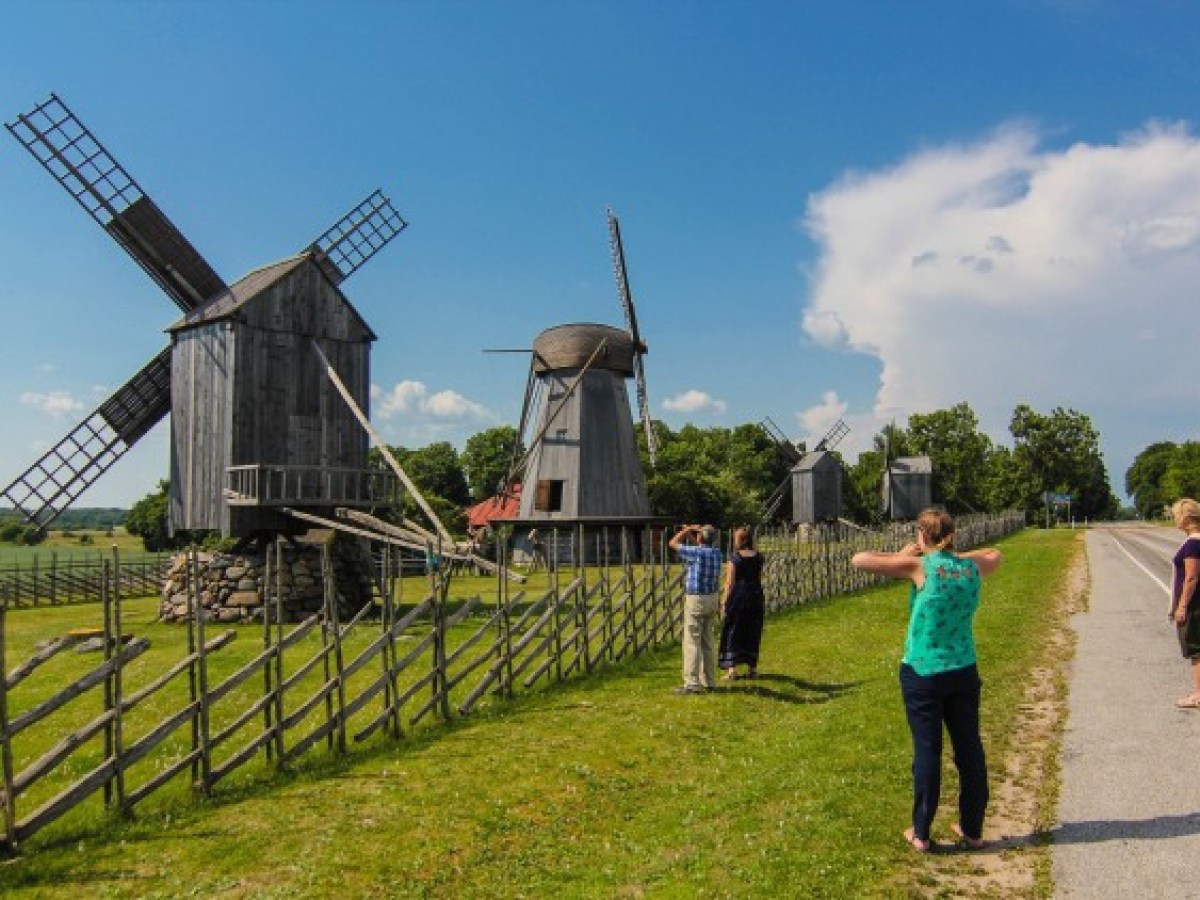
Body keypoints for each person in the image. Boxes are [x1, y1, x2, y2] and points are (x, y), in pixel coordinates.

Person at [851, 508, 1003, 853]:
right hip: (963, 668)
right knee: (969, 750)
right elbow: (996, 554)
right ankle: (972, 827)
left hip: (924, 670)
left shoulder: (919, 567)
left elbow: (860, 559)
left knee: (927, 750)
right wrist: (952, 555)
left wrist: (906, 554)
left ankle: (921, 831)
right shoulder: (970, 568)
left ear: (922, 536)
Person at [668, 524, 723, 695]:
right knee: (707, 641)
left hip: (696, 599)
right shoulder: (717, 553)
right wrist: (697, 534)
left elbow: (673, 543)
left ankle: (692, 683)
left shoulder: (697, 553)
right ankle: (710, 681)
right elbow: (700, 546)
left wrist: (687, 530)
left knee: (692, 641)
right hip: (712, 599)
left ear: (700, 538)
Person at [719, 526, 765, 680]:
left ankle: (732, 669)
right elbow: (758, 578)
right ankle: (752, 668)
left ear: (739, 540)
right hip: (755, 595)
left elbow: (729, 582)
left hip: (739, 595)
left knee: (733, 629)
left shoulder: (735, 558)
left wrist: (725, 600)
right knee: (753, 630)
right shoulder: (758, 557)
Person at [1168, 498, 1200, 709]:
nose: (1174, 520)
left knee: (1195, 650)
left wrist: (1181, 606)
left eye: (1176, 516)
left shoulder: (1193, 544)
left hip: (1194, 605)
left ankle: (1197, 695)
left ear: (1186, 518)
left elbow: (1191, 577)